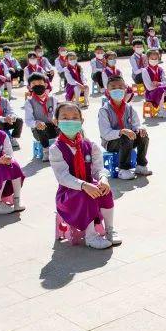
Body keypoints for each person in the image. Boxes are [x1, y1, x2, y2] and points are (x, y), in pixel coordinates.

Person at [50, 102, 119, 249]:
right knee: (87, 194)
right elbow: (62, 177)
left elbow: (98, 168)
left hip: (89, 185)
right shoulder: (55, 149)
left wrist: (103, 178)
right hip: (67, 194)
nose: (70, 121)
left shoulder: (90, 144)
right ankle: (91, 236)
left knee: (105, 190)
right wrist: (83, 185)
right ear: (56, 121)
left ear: (81, 121)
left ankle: (109, 229)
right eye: (65, 117)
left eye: (75, 117)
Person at [97, 75, 152, 180]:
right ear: (108, 91)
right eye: (113, 88)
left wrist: (140, 128)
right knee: (125, 136)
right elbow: (105, 133)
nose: (117, 90)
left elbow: (136, 124)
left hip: (129, 140)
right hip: (111, 142)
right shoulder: (104, 110)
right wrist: (121, 131)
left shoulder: (129, 108)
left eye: (120, 87)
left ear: (125, 89)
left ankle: (140, 165)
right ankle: (123, 169)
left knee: (143, 135)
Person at [23, 72, 58, 162]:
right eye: (34, 84)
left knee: (64, 122)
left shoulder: (52, 98)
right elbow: (28, 121)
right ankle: (46, 151)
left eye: (40, 83)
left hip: (52, 127)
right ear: (30, 87)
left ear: (45, 85)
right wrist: (36, 123)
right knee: (40, 126)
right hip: (39, 131)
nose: (37, 86)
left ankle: (64, 147)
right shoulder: (29, 102)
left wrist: (56, 118)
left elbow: (56, 112)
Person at [142, 49, 166, 118]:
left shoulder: (160, 69)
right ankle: (161, 112)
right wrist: (160, 86)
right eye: (152, 58)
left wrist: (159, 83)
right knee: (161, 90)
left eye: (156, 58)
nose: (154, 60)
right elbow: (149, 87)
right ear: (148, 58)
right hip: (150, 94)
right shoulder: (145, 70)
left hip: (160, 92)